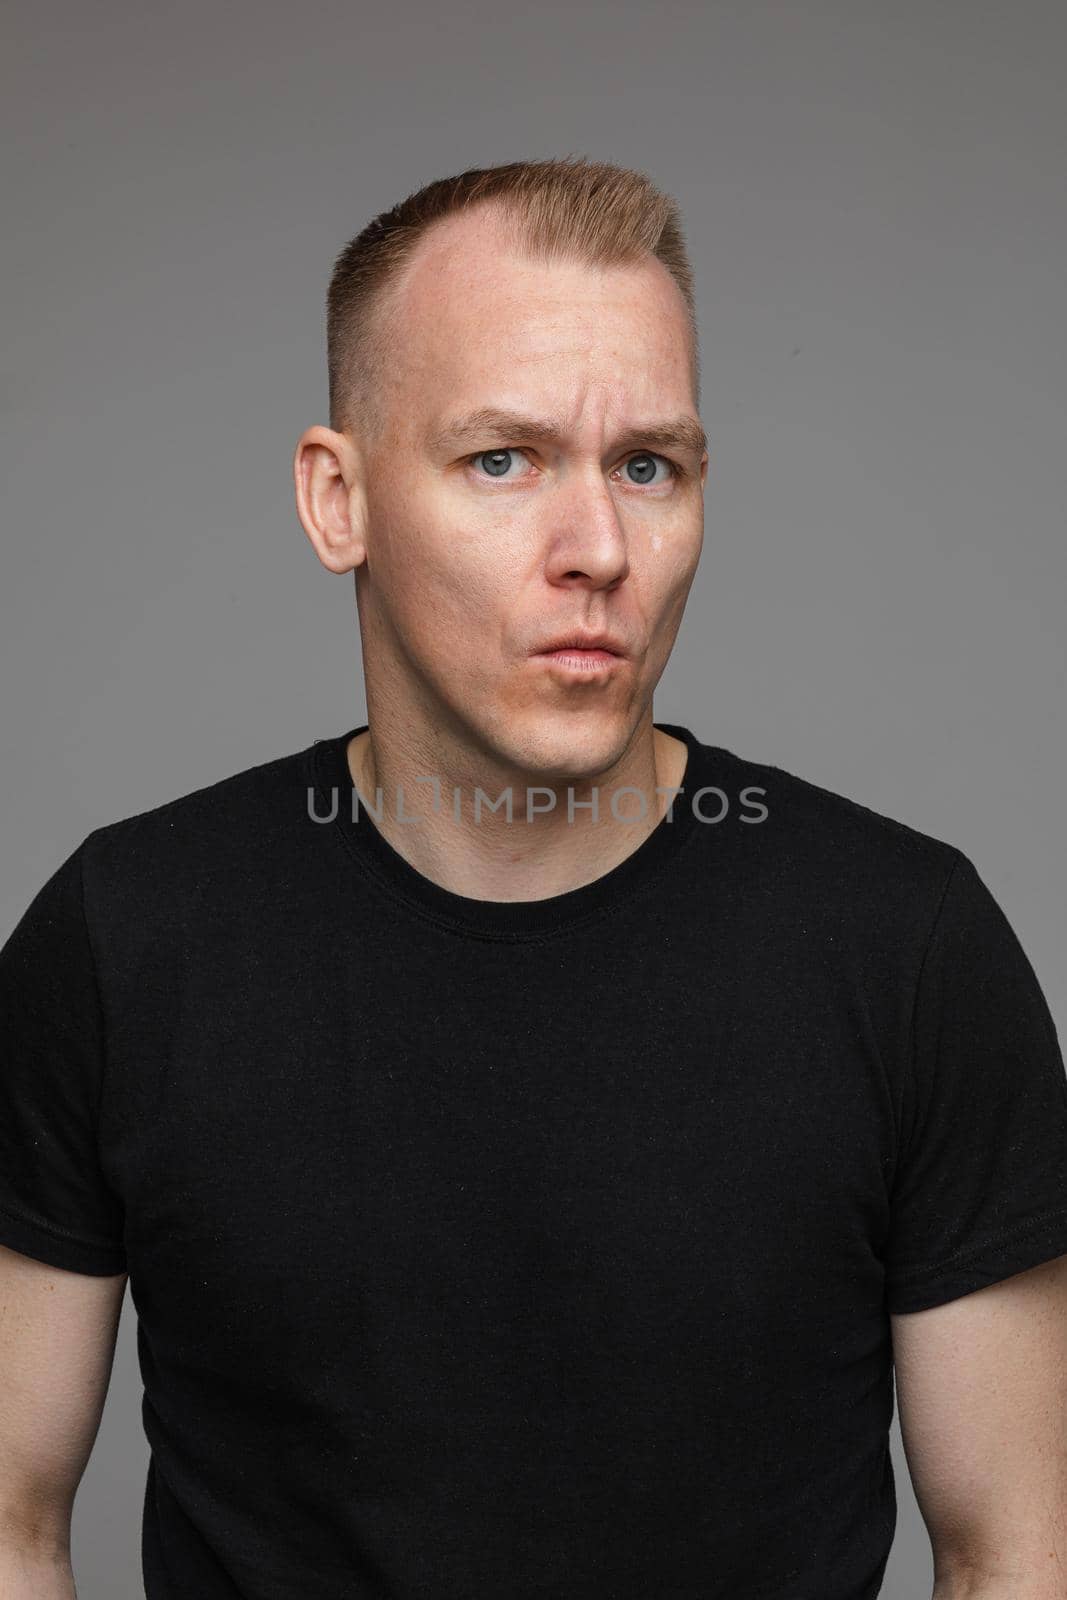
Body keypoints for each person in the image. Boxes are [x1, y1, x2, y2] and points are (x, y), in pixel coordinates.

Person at [1, 155, 1065, 1600]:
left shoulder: (910, 950)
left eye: (650, 466)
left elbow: (1019, 1551)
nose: (601, 552)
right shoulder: (124, 940)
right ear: (340, 500)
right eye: (501, 460)